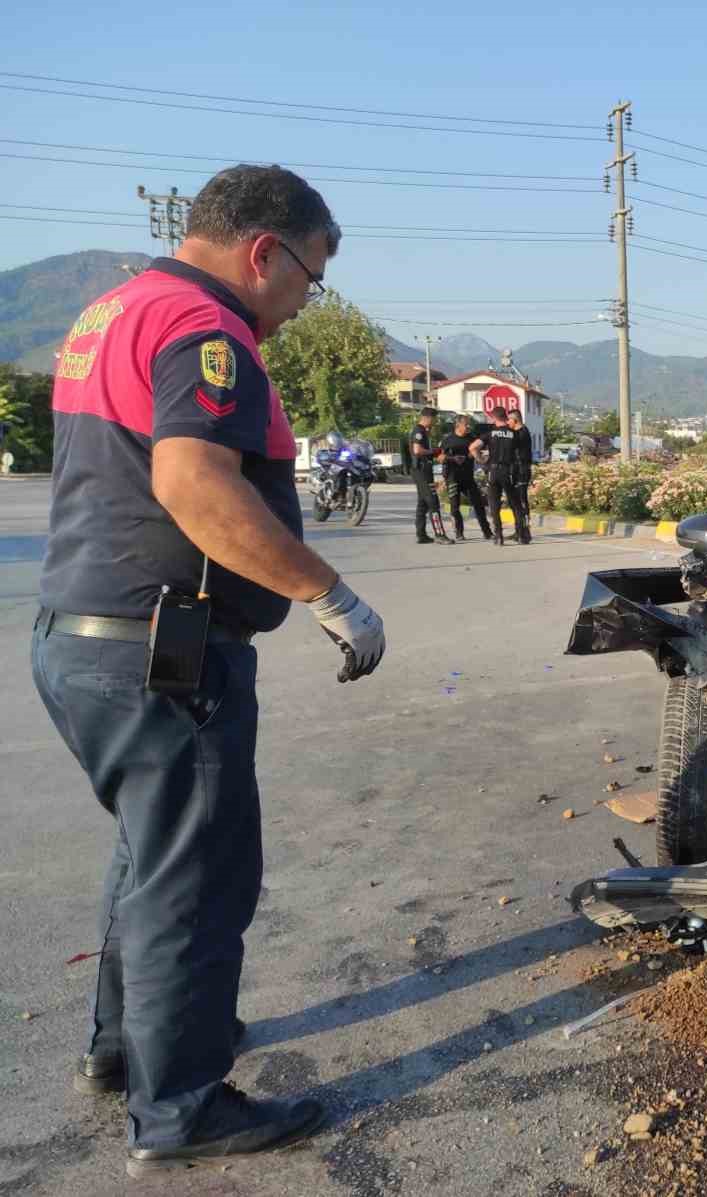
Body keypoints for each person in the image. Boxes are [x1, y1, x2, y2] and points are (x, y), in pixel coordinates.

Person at [32, 164, 385, 1177]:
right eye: (311, 279)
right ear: (265, 252)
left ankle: (124, 1055)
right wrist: (330, 596)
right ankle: (181, 1108)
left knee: (150, 856)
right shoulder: (206, 328)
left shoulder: (114, 309)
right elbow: (192, 483)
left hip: (84, 639)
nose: (302, 304)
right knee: (196, 878)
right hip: (163, 651)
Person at [438, 413, 494, 540]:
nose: (469, 426)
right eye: (466, 424)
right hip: (452, 477)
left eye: (469, 424)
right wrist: (453, 458)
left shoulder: (472, 438)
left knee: (479, 504)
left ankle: (487, 532)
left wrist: (472, 455)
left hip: (468, 477)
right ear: (458, 425)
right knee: (455, 506)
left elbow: (479, 451)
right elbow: (440, 458)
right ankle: (459, 532)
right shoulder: (447, 440)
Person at [476, 407, 519, 546]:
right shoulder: (513, 433)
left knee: (494, 504)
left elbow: (472, 447)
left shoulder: (489, 433)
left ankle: (499, 535)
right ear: (505, 417)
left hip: (493, 471)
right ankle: (522, 533)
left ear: (494, 418)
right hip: (508, 471)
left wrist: (481, 460)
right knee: (514, 503)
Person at [409, 407, 452, 544]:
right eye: (434, 419)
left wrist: (434, 453)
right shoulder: (419, 431)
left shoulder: (424, 432)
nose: (435, 422)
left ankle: (421, 534)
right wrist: (433, 451)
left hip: (424, 470)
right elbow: (417, 450)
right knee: (433, 502)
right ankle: (439, 534)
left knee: (423, 503)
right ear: (428, 417)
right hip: (420, 470)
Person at [506, 410, 535, 544]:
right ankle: (518, 529)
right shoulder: (515, 433)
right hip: (515, 469)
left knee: (522, 500)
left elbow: (513, 444)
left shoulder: (522, 433)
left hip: (522, 469)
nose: (507, 423)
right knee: (514, 501)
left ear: (515, 420)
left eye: (509, 420)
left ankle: (525, 530)